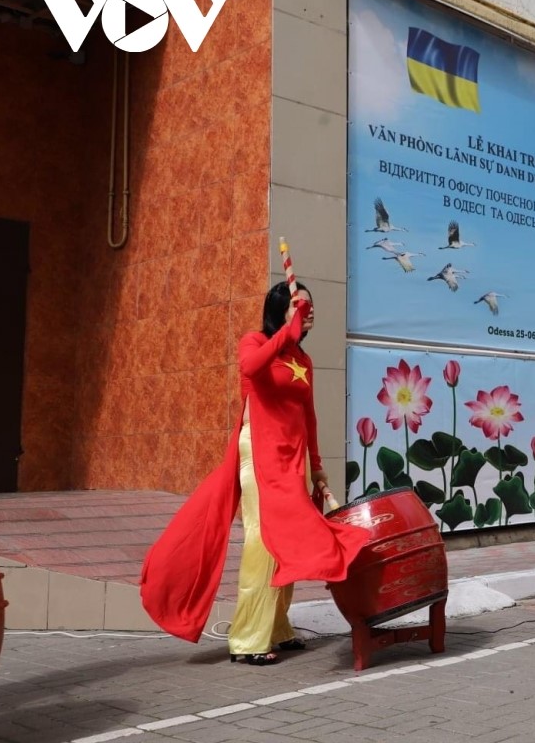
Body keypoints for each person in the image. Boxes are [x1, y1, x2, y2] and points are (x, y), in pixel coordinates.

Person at [141, 281, 368, 665]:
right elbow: (250, 367)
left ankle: (277, 627)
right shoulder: (255, 342)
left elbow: (308, 415)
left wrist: (316, 467)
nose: (308, 311)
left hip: (292, 460)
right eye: (298, 305)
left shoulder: (303, 359)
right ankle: (247, 639)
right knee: (262, 543)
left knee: (287, 543)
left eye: (309, 306)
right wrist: (285, 335)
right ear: (280, 310)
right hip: (260, 455)